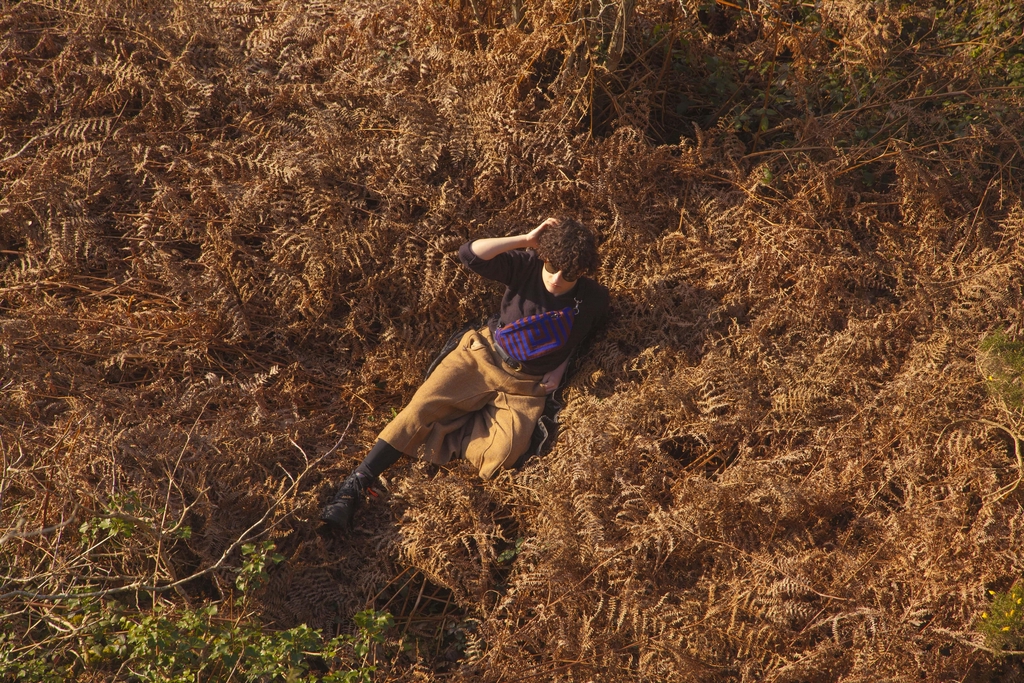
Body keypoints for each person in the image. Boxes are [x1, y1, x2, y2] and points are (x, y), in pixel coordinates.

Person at [320, 217, 610, 530]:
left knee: (503, 457)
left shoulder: (593, 299)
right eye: (552, 266)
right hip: (481, 356)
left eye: (569, 274)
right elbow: (470, 254)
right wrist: (526, 239)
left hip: (525, 387)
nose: (556, 279)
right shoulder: (526, 265)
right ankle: (356, 484)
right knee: (418, 409)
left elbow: (579, 334)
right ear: (543, 256)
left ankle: (453, 421)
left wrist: (560, 366)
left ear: (583, 272)